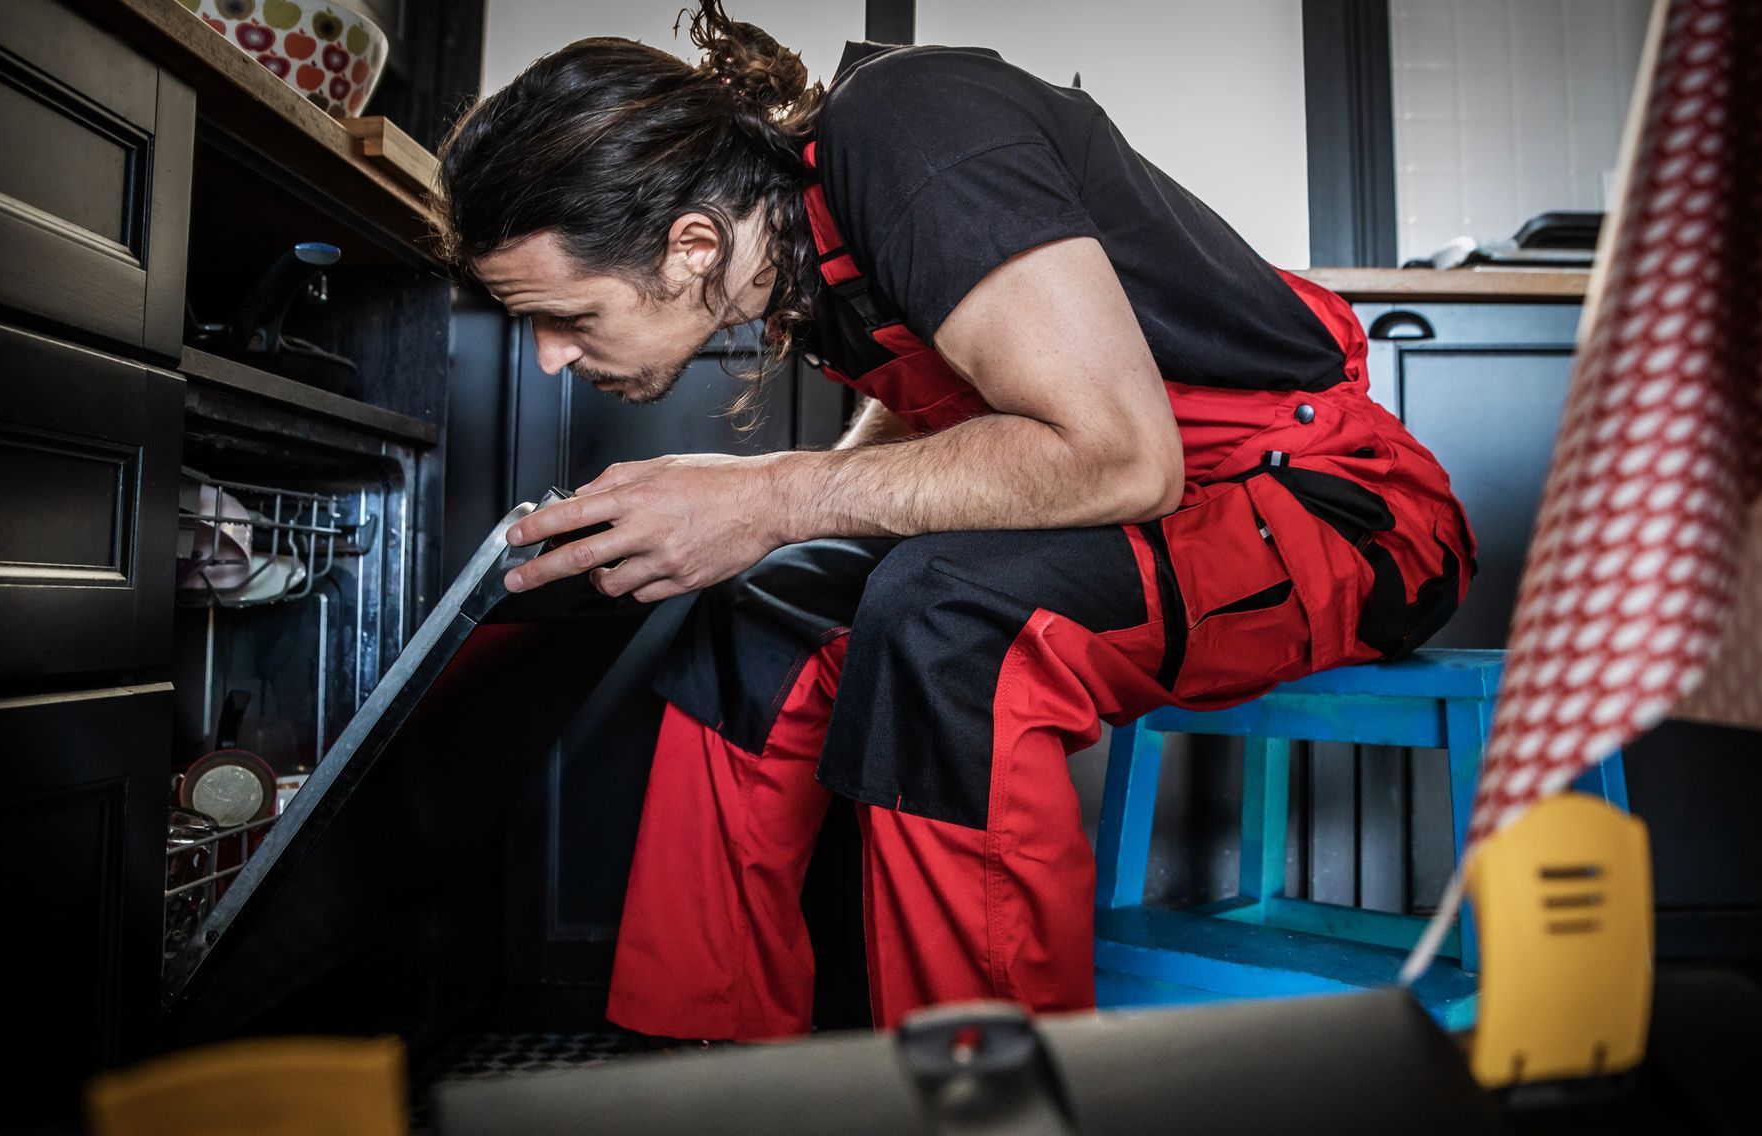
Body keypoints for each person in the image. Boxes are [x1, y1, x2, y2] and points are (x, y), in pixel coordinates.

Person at [433, 2, 1474, 1041]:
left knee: (946, 620)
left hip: (1337, 509)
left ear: (692, 242)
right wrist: (780, 520)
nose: (550, 359)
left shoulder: (915, 127)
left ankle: (987, 1123)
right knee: (756, 617)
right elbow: (960, 397)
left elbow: (1119, 454)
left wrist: (766, 496)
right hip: (1155, 508)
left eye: (566, 317)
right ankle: (706, 1068)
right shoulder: (809, 233)